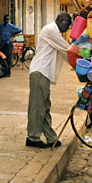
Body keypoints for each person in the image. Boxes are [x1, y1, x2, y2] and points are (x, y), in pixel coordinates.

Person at [26, 12, 72, 149]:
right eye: (67, 24)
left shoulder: (54, 32)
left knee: (44, 106)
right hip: (40, 72)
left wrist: (78, 65)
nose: (68, 28)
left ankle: (51, 137)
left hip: (43, 74)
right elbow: (67, 49)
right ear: (60, 20)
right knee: (37, 107)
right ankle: (32, 137)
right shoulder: (50, 30)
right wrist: (84, 52)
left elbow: (64, 54)